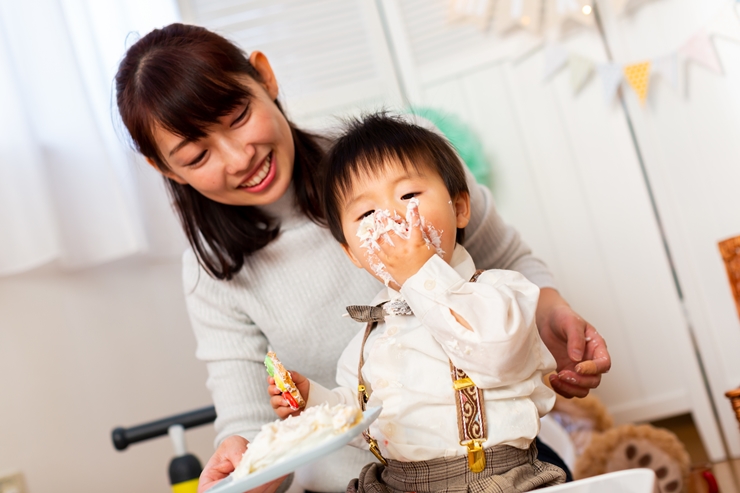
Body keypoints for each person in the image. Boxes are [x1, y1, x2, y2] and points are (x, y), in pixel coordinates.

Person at [114, 23, 610, 493]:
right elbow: (252, 418)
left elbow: (509, 260)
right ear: (164, 168)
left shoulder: (401, 159)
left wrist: (553, 314)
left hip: (484, 461)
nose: (238, 158)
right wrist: (242, 458)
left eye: (238, 116)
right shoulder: (212, 272)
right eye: (197, 156)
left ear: (264, 76)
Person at [268, 113, 567, 493]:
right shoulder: (371, 335)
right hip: (397, 483)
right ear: (352, 254)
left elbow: (497, 356)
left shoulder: (503, 292)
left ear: (459, 208)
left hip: (492, 479)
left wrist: (421, 276)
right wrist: (314, 400)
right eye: (366, 213)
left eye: (408, 195)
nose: (390, 218)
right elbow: (366, 417)